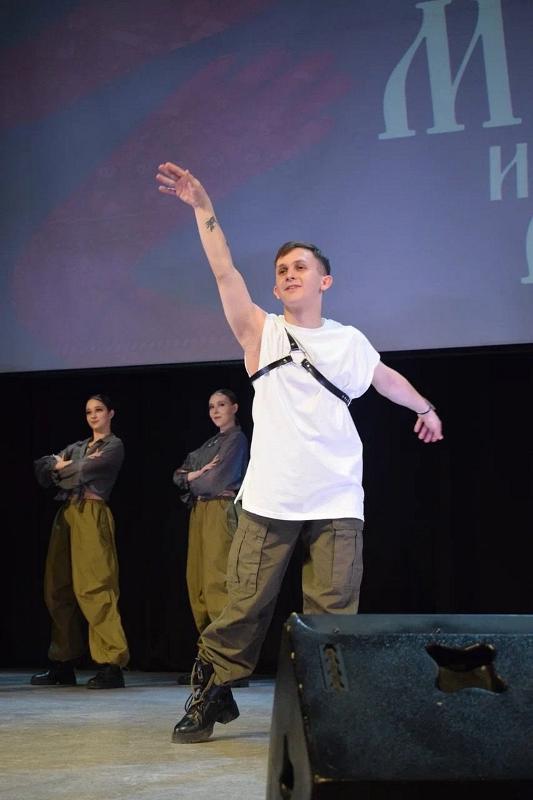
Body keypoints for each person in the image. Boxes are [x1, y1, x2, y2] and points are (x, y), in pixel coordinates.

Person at [156, 162, 444, 743]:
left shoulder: (348, 340)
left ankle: (328, 710)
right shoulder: (260, 331)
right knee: (243, 606)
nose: (289, 274)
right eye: (282, 270)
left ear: (324, 282)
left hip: (337, 497)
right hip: (271, 497)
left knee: (333, 613)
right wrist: (202, 207)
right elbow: (223, 270)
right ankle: (212, 692)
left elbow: (384, 378)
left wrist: (425, 408)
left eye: (300, 267)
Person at [31, 394, 129, 689]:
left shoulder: (113, 445)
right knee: (57, 588)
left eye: (99, 410)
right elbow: (42, 469)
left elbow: (84, 471)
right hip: (67, 514)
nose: (93, 416)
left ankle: (112, 663)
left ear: (110, 413)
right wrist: (63, 466)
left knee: (96, 587)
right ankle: (63, 661)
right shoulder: (78, 447)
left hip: (92, 512)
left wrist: (63, 467)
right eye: (88, 412)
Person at [173, 389, 248, 637]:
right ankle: (207, 649)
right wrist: (194, 475)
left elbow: (213, 482)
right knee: (197, 580)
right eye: (211, 406)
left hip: (220, 508)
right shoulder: (210, 444)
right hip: (200, 510)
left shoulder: (236, 439)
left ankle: (224, 650)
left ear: (234, 408)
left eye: (221, 404)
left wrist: (192, 478)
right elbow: (178, 474)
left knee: (217, 578)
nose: (215, 411)